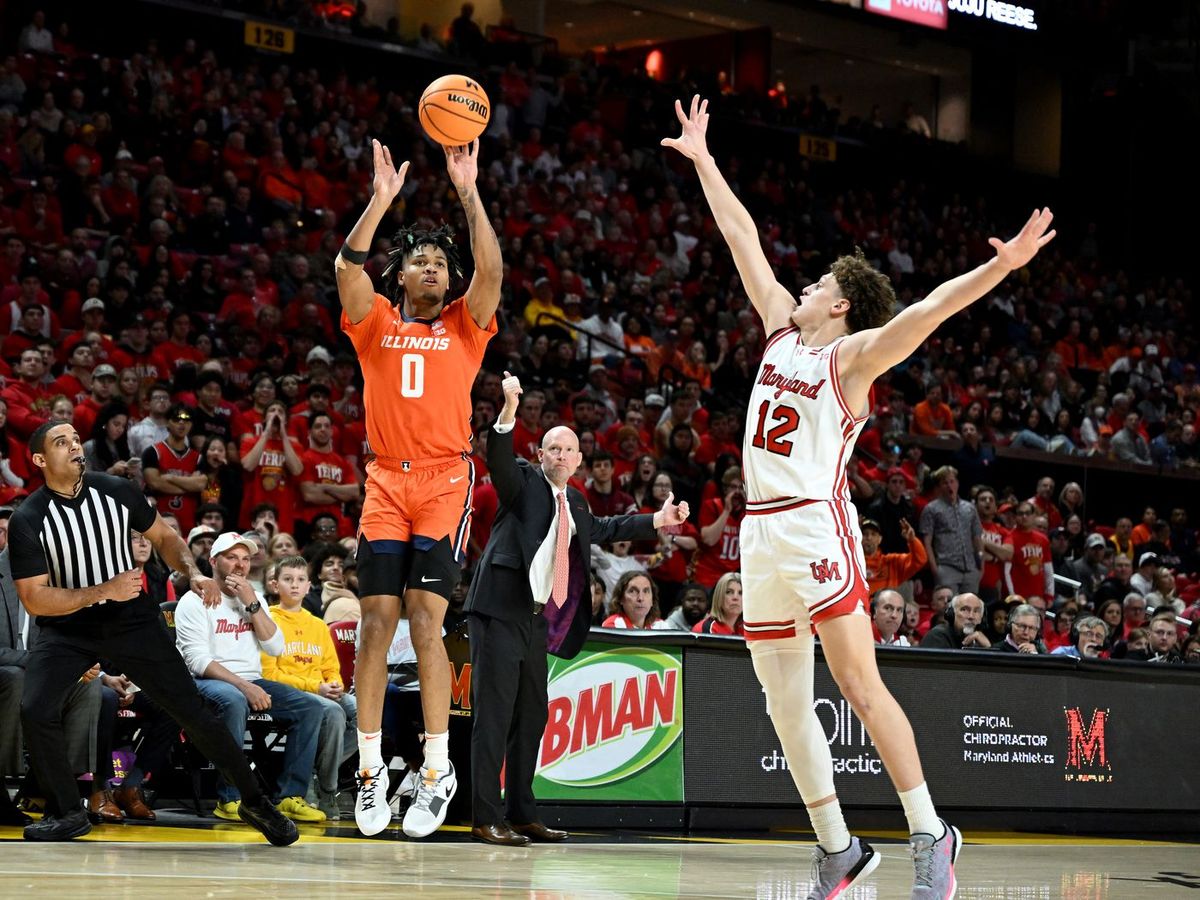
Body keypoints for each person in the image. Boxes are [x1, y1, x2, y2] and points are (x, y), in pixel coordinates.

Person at [662, 93, 1054, 896]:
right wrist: (704, 160)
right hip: (761, 534)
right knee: (782, 705)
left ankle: (929, 830)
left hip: (815, 526)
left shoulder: (853, 360)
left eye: (817, 284)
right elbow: (741, 237)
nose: (799, 286)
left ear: (839, 303)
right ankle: (840, 848)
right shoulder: (778, 327)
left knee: (860, 689)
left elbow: (929, 309)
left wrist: (1000, 267)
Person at [6, 421, 297, 844]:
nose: (74, 446)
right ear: (38, 460)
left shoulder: (114, 489)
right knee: (35, 708)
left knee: (191, 709)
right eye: (60, 442)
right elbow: (34, 598)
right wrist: (102, 590)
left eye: (74, 439)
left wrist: (192, 571)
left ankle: (255, 800)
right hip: (68, 626)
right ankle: (68, 810)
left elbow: (163, 536)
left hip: (130, 621)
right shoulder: (28, 517)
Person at [336, 137, 502, 837]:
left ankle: (437, 769)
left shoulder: (467, 324)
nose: (431, 268)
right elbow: (346, 264)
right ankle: (371, 770)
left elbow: (492, 267)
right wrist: (379, 203)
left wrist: (468, 192)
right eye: (419, 261)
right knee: (375, 624)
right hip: (384, 483)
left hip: (442, 482)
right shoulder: (373, 321)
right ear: (400, 276)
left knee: (426, 619)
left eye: (440, 263)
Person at [463, 372, 683, 845]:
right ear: (540, 455)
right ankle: (484, 816)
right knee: (495, 716)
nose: (561, 456)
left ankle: (522, 813)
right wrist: (508, 411)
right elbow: (498, 456)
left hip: (538, 617)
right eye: (553, 449)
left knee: (533, 718)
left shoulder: (578, 502)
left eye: (568, 450)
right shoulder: (522, 482)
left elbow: (606, 526)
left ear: (579, 460)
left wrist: (658, 520)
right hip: (499, 610)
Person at [175, 532, 328, 824]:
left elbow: (275, 647)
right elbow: (197, 661)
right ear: (214, 561)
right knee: (234, 700)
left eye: (245, 559)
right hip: (205, 682)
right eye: (231, 557)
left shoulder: (254, 597)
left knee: (311, 708)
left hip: (251, 681)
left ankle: (289, 796)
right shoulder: (193, 601)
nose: (240, 565)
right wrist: (243, 686)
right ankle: (230, 797)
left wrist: (251, 604)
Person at [261, 555, 358, 820]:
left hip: (320, 690)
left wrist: (334, 682)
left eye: (300, 580)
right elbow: (270, 674)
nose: (294, 585)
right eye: (288, 579)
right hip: (290, 692)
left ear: (308, 586)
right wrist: (317, 687)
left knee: (364, 712)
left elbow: (330, 666)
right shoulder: (268, 618)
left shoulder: (317, 624)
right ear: (274, 584)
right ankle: (328, 790)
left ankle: (315, 771)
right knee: (334, 713)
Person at [920, 466, 983, 595]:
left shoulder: (969, 508)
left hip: (970, 568)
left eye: (952, 481)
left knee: (969, 610)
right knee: (948, 610)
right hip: (946, 567)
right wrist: (935, 569)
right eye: (945, 482)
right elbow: (927, 542)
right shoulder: (931, 509)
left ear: (957, 483)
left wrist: (981, 565)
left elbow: (977, 537)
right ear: (939, 487)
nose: (949, 486)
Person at [919, 593, 993, 651]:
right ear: (951, 614)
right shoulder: (937, 636)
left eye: (976, 611)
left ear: (982, 618)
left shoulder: (980, 641)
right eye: (964, 609)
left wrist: (988, 648)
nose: (971, 616)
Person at [692, 571, 744, 636]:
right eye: (729, 592)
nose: (735, 597)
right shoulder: (706, 629)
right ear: (719, 597)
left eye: (740, 593)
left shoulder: (747, 629)